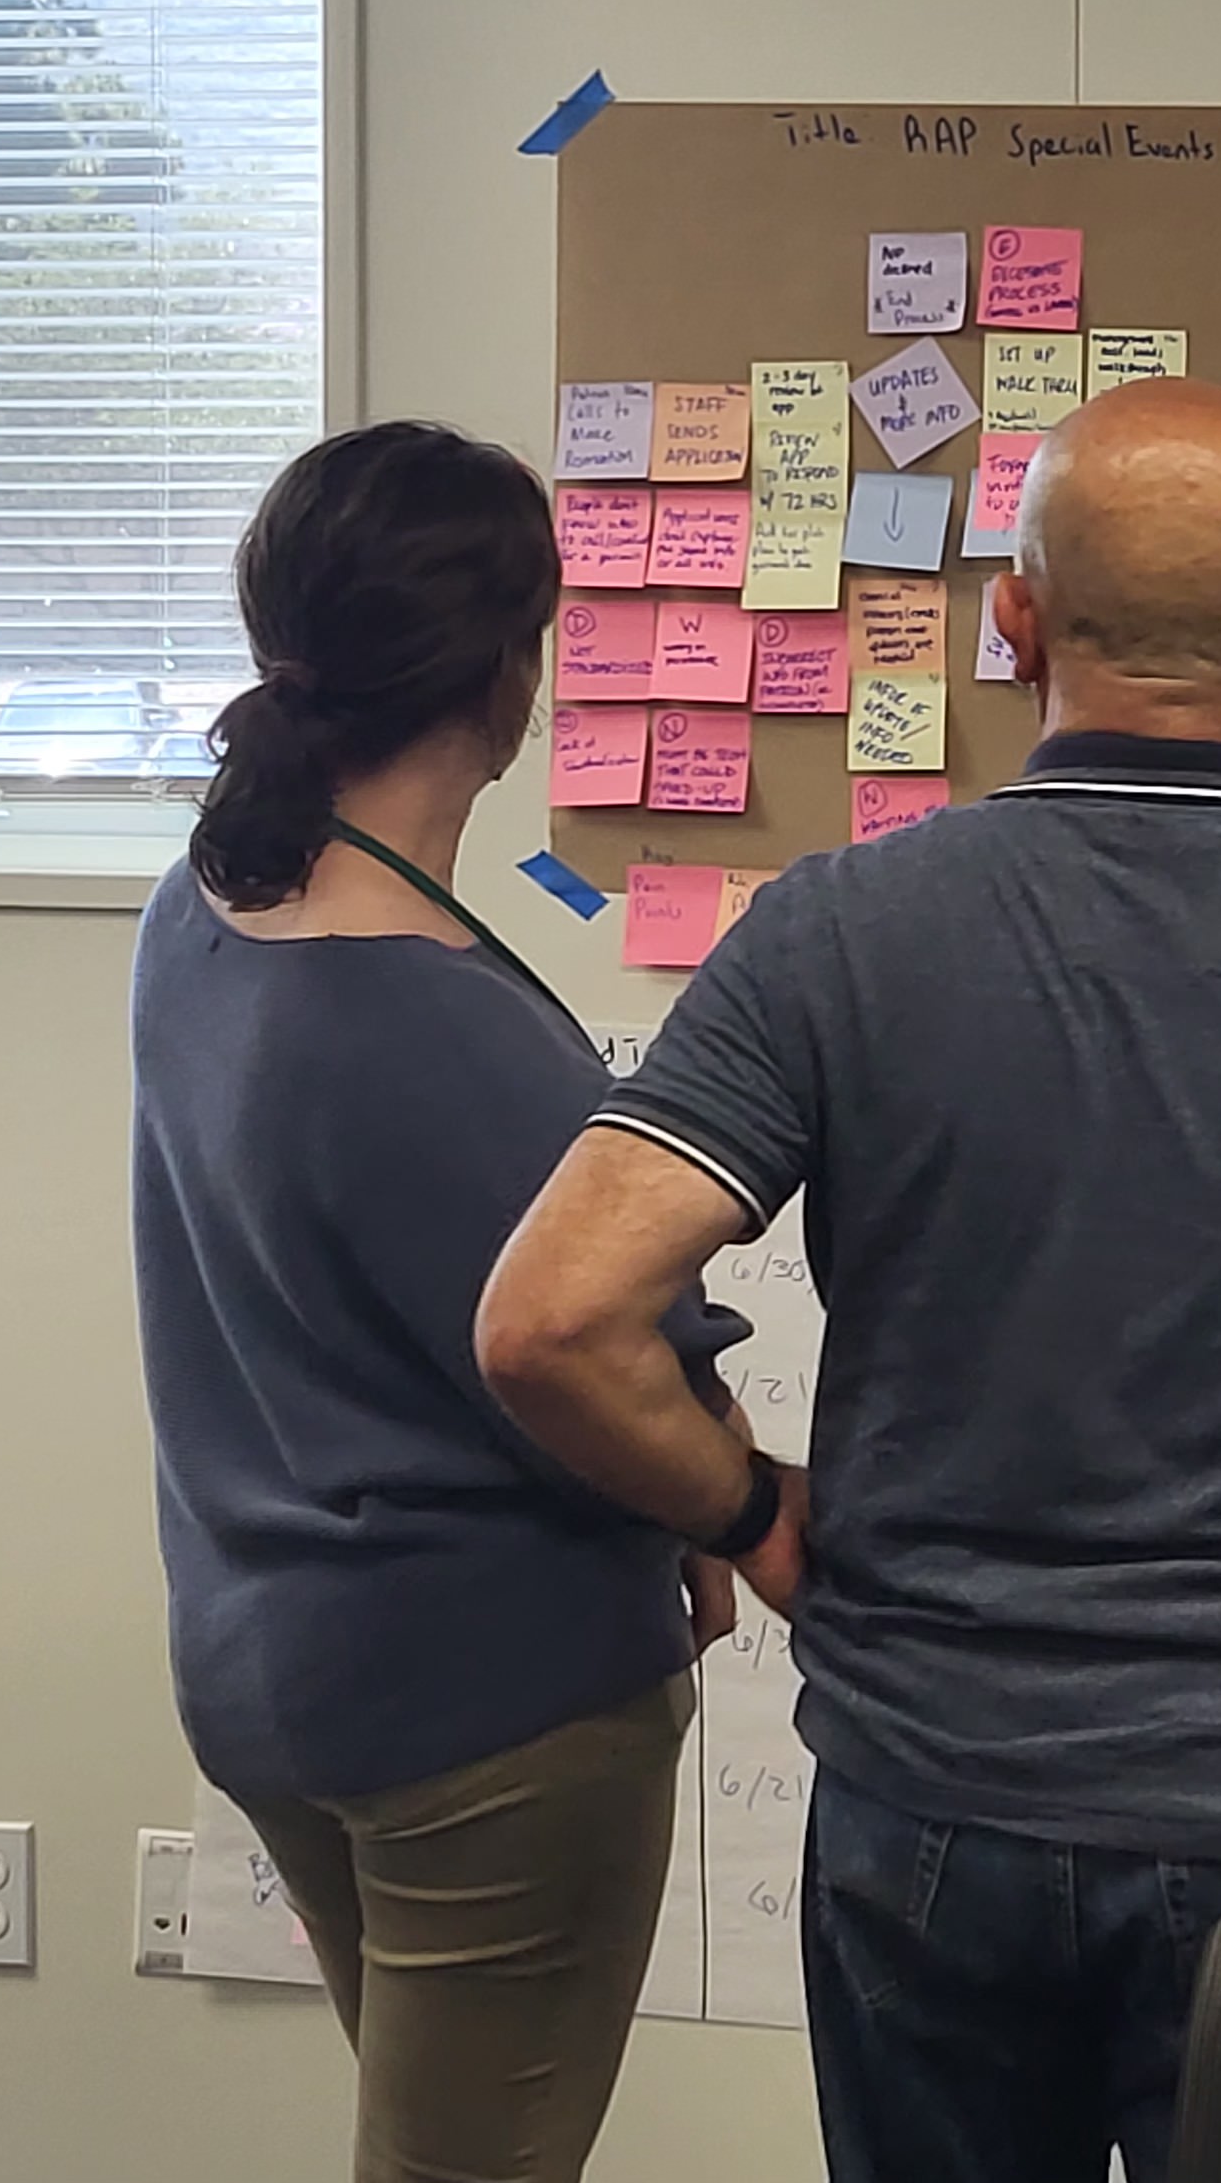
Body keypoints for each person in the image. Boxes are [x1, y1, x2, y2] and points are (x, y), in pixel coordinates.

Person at [474, 376, 1221, 2183]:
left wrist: (752, 1512)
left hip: (938, 1825)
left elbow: (551, 1320)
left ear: (1016, 621)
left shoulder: (842, 930)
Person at [131, 421, 750, 2183]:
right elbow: (586, 1342)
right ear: (512, 666)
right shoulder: (427, 1018)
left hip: (271, 1672)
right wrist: (741, 1500)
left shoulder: (199, 912)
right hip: (484, 1713)